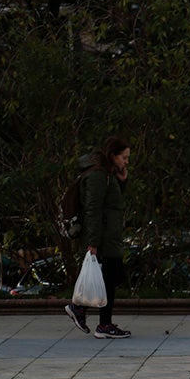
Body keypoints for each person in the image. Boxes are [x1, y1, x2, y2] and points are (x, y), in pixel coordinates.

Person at [64, 136, 132, 339]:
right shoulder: (97, 175)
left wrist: (122, 181)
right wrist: (92, 242)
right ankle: (98, 320)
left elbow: (112, 202)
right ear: (113, 156)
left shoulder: (107, 174)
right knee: (109, 279)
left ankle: (90, 315)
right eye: (124, 158)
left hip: (108, 237)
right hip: (101, 239)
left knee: (108, 279)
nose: (126, 162)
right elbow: (92, 209)